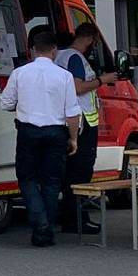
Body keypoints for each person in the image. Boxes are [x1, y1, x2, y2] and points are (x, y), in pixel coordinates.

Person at [1, 29, 78, 247]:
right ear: (54, 50)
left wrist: (23, 105)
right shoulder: (64, 76)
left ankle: (41, 225)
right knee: (52, 181)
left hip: (28, 131)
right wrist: (73, 139)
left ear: (33, 50)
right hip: (56, 132)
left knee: (27, 178)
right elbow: (72, 112)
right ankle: (45, 229)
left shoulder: (20, 73)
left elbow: (5, 103)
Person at [53, 22, 119, 232]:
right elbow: (78, 87)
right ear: (90, 39)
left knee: (68, 173)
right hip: (82, 122)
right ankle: (77, 220)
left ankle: (69, 216)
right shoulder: (75, 58)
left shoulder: (60, 56)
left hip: (68, 120)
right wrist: (103, 80)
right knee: (80, 173)